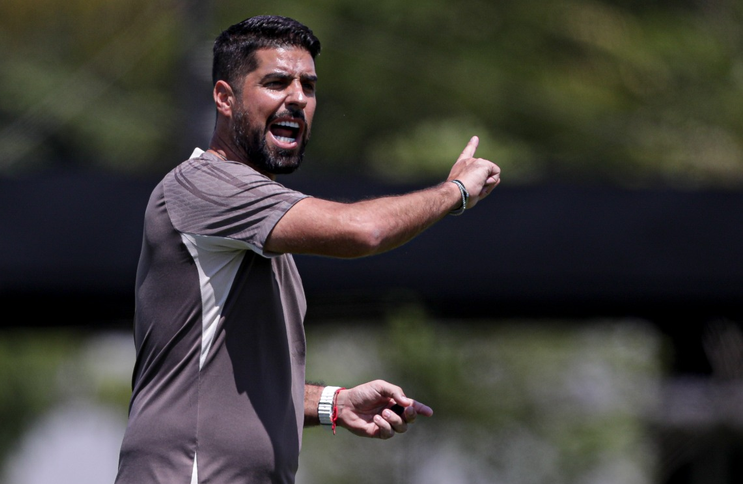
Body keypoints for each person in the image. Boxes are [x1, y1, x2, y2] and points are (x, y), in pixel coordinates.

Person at [114, 14, 501, 484]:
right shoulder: (204, 186)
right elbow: (365, 231)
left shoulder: (257, 220)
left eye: (308, 86)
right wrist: (455, 191)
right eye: (276, 82)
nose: (297, 98)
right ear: (224, 97)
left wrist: (333, 403)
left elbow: (230, 390)